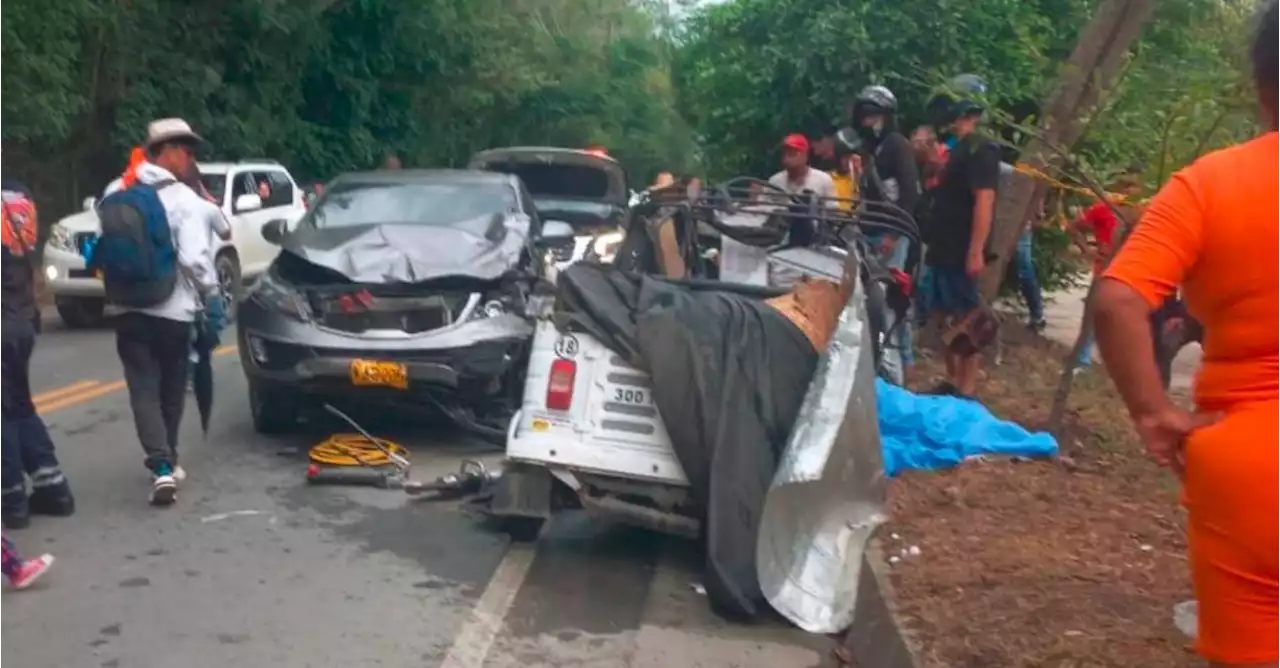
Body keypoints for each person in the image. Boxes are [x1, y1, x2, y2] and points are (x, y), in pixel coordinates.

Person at [1094, 3, 1280, 663]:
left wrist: (1154, 413)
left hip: (1251, 471)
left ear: (1262, 86)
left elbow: (1117, 300)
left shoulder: (1210, 184)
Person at [105, 119, 220, 506]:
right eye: (186, 151)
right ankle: (165, 462)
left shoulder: (115, 191)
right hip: (173, 310)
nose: (190, 159)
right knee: (171, 388)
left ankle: (161, 466)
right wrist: (210, 296)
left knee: (142, 387)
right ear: (167, 152)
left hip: (125, 307)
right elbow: (196, 260)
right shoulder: (188, 201)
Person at [919, 74, 1001, 398]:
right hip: (943, 244)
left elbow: (985, 198)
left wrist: (976, 249)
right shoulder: (960, 149)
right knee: (941, 313)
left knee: (967, 318)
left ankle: (967, 387)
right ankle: (951, 379)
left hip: (961, 246)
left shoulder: (983, 147)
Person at [0, 177, 75, 528]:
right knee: (19, 406)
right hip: (22, 318)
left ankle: (12, 503)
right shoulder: (19, 194)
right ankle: (53, 488)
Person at [851, 85, 921, 379]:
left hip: (892, 233)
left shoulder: (897, 145)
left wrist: (894, 234)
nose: (869, 121)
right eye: (865, 116)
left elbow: (909, 193)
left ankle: (901, 367)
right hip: (870, 232)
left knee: (892, 299)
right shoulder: (870, 150)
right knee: (872, 297)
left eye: (874, 115)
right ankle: (881, 362)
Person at [1068, 173, 1142, 370]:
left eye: (1134, 188)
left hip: (1133, 271)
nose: (1130, 193)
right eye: (1126, 188)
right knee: (1095, 312)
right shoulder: (1103, 209)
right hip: (1106, 268)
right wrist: (1087, 249)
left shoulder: (1143, 213)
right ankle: (1082, 357)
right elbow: (1075, 227)